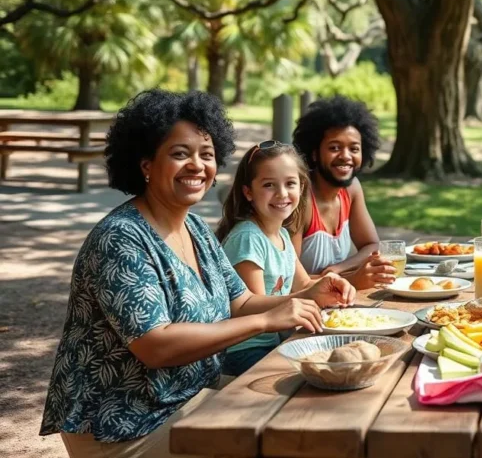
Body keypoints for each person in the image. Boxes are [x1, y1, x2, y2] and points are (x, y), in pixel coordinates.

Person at [40, 89, 357, 458]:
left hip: (188, 398)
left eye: (206, 154)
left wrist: (307, 296)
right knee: (285, 442)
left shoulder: (194, 227)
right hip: (126, 426)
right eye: (179, 154)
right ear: (146, 164)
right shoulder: (121, 238)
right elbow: (156, 346)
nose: (196, 165)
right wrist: (266, 321)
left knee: (312, 410)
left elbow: (242, 302)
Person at [216, 141, 317, 376]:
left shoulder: (281, 234)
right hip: (243, 349)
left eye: (290, 183)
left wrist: (339, 284)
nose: (282, 193)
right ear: (248, 192)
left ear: (301, 187)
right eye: (269, 185)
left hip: (271, 342)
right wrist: (310, 296)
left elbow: (305, 285)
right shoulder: (248, 238)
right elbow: (252, 306)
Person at [292, 96, 394, 288]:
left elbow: (372, 245)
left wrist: (339, 268)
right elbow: (288, 278)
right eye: (334, 148)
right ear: (314, 153)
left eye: (354, 148)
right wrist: (351, 279)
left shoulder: (351, 189)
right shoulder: (300, 199)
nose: (346, 156)